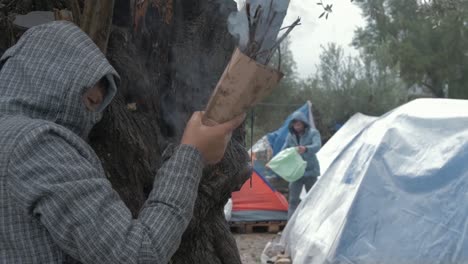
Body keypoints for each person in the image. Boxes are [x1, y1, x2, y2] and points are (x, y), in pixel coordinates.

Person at [0, 21, 244, 263]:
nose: (92, 116)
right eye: (89, 101)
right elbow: (137, 253)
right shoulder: (35, 143)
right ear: (53, 81)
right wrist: (192, 154)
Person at [282, 111, 321, 219]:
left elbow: (317, 146)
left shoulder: (313, 133)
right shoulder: (290, 136)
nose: (297, 127)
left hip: (310, 171)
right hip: (296, 172)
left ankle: (313, 223)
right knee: (293, 200)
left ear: (304, 123)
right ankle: (289, 227)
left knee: (313, 199)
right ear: (292, 125)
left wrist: (306, 148)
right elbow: (284, 151)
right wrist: (274, 162)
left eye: (299, 124)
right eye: (295, 125)